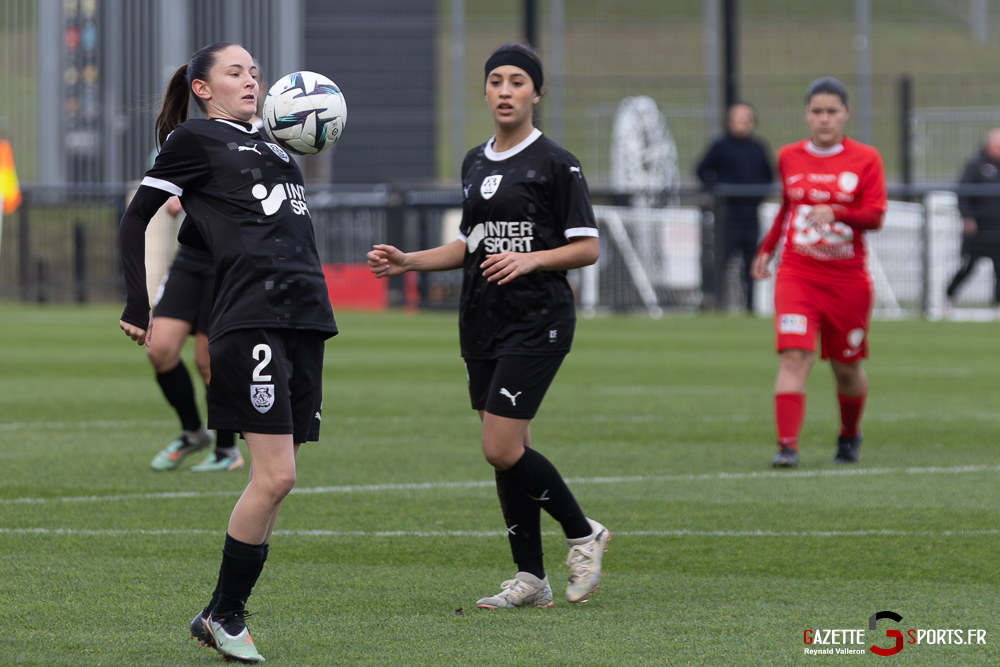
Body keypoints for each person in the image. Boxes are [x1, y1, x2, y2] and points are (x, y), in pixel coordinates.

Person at [367, 43, 610, 610]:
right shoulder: (475, 161)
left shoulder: (557, 163)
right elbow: (469, 246)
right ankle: (531, 577)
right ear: (485, 91)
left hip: (537, 320)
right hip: (481, 320)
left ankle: (584, 533)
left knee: (499, 445)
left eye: (518, 82)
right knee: (509, 449)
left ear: (537, 94)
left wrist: (532, 258)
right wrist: (408, 261)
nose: (505, 90)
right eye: (496, 80)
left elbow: (588, 248)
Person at [118, 42, 337, 662]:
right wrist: (141, 303)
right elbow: (138, 217)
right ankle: (228, 615)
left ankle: (217, 613)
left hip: (304, 317)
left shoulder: (275, 143)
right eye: (236, 72)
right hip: (253, 318)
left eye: (256, 73)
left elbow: (224, 221)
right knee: (277, 475)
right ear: (202, 87)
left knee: (281, 480)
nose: (251, 80)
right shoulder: (194, 138)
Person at [751, 77, 886, 468]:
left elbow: (875, 216)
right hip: (798, 271)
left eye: (832, 111)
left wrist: (838, 212)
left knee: (847, 367)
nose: (824, 119)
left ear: (846, 114)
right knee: (794, 355)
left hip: (847, 279)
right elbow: (787, 207)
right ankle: (787, 446)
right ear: (806, 114)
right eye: (817, 111)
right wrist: (768, 247)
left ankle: (849, 434)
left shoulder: (866, 158)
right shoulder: (790, 155)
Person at [147, 195, 242, 472]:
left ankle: (226, 450)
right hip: (190, 255)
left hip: (228, 257)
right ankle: (194, 434)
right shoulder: (194, 150)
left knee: (208, 360)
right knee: (159, 350)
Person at [696, 103, 773, 312]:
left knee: (751, 263)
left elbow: (768, 175)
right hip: (727, 216)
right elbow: (701, 170)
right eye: (737, 119)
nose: (741, 123)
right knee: (722, 262)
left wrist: (757, 196)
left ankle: (750, 307)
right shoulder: (720, 146)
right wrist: (717, 191)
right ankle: (716, 304)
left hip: (750, 216)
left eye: (746, 119)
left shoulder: (758, 147)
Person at [946, 128, 1000, 311]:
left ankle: (997, 304)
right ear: (990, 145)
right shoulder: (976, 165)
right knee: (968, 266)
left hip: (997, 231)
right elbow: (963, 194)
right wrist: (967, 217)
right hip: (978, 231)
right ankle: (949, 296)